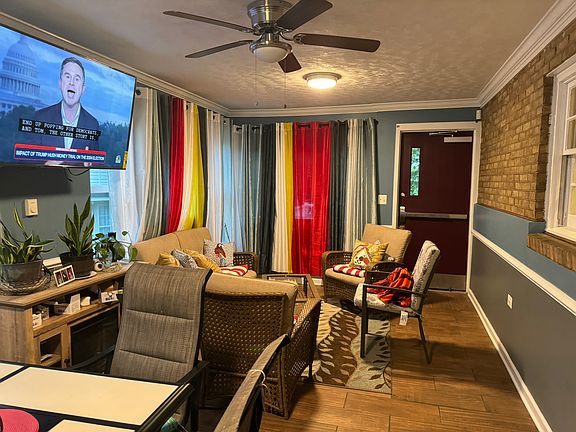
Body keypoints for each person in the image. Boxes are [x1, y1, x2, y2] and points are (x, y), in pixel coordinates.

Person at [33, 57, 100, 151]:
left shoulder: (92, 124)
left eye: (77, 79)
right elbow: (27, 156)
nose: (71, 83)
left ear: (83, 89)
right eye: (67, 77)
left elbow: (94, 157)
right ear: (60, 83)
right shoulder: (41, 117)